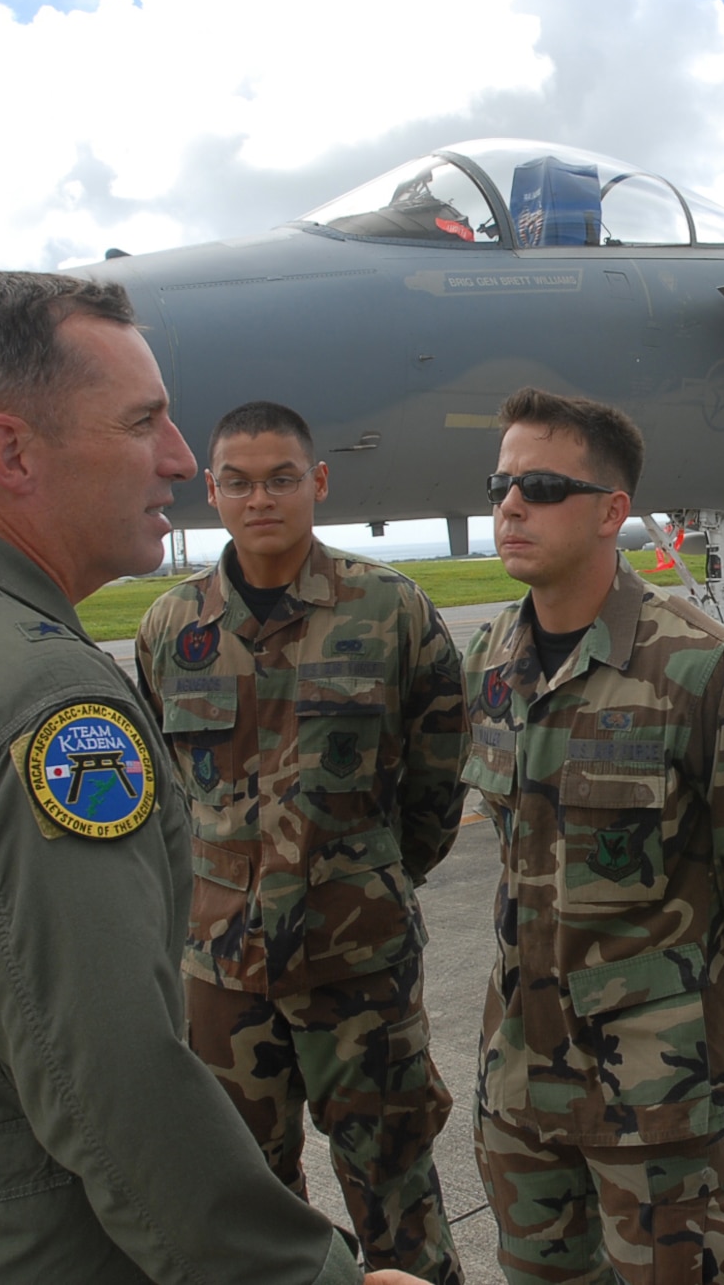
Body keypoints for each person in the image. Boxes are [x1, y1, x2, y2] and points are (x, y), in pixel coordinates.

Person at [0, 270, 419, 1285]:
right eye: (142, 421)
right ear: (12, 452)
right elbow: (110, 1082)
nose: (177, 457)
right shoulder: (43, 696)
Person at [460, 387, 724, 1284]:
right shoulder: (491, 659)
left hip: (661, 1103)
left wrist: (700, 1024)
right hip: (518, 1086)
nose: (509, 504)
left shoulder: (710, 669)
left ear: (611, 512)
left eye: (539, 485)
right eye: (501, 482)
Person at [136, 401, 466, 1282]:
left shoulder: (391, 609)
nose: (261, 499)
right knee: (244, 1200)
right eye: (238, 482)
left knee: (398, 1190)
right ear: (211, 490)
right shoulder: (173, 629)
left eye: (282, 478)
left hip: (359, 966)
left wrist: (364, 879)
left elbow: (436, 783)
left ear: (317, 483)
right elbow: (172, 797)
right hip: (222, 976)